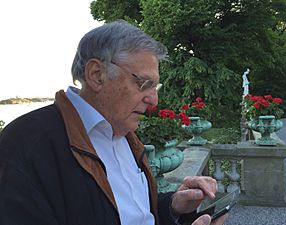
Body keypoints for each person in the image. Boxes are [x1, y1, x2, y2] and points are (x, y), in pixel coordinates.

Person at [0, 20, 227, 225]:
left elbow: (132, 214)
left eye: (154, 86)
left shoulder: (124, 133)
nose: (153, 100)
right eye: (143, 83)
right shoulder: (26, 141)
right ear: (97, 74)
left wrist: (173, 206)